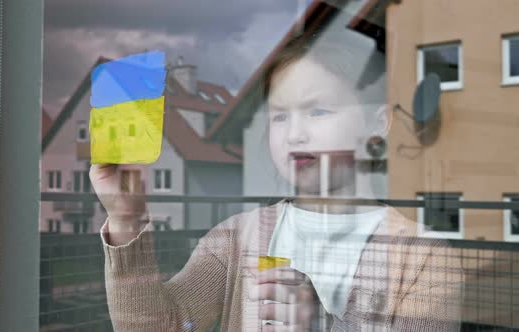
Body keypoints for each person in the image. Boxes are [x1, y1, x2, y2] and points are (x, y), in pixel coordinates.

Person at [91, 34, 464, 331]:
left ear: (377, 124)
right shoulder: (236, 238)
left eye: (318, 111)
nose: (295, 134)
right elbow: (163, 327)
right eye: (280, 116)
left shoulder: (426, 258)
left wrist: (321, 326)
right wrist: (125, 220)